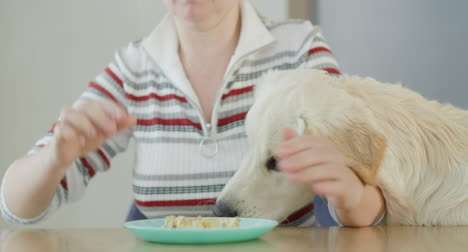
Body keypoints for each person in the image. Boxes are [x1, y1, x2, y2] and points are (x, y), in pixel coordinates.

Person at [0, 0, 385, 227]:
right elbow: (16, 210)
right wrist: (55, 159)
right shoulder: (133, 68)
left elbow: (370, 197)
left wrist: (352, 200)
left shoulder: (299, 48)